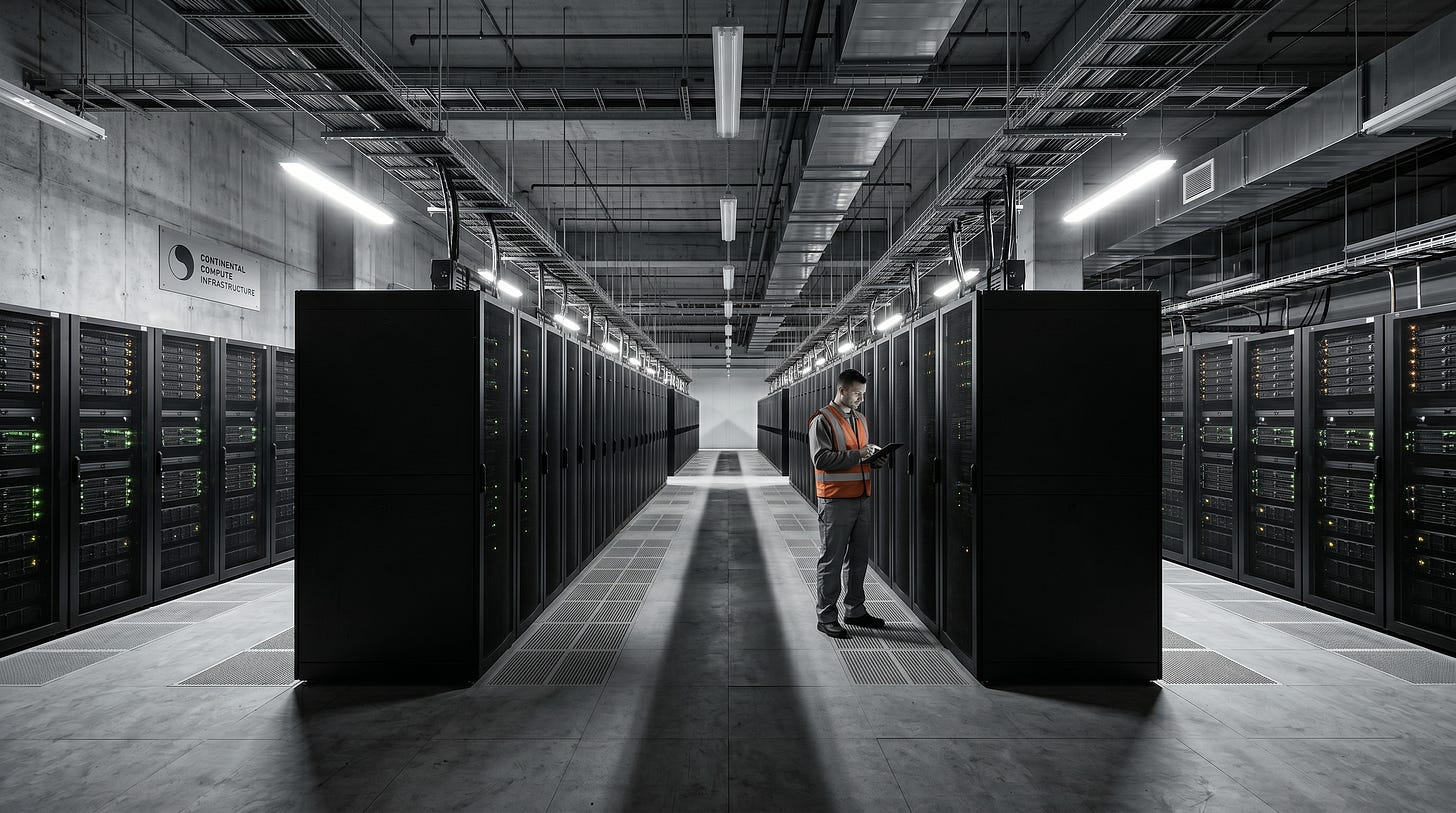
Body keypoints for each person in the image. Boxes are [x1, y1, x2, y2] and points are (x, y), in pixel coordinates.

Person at [809, 369, 886, 639]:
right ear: (842, 390)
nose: (861, 399)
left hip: (862, 496)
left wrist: (874, 458)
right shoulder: (823, 420)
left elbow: (859, 456)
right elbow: (821, 459)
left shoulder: (861, 419)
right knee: (831, 560)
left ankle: (855, 609)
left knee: (858, 558)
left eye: (863, 395)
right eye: (856, 394)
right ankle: (826, 616)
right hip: (835, 499)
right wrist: (859, 454)